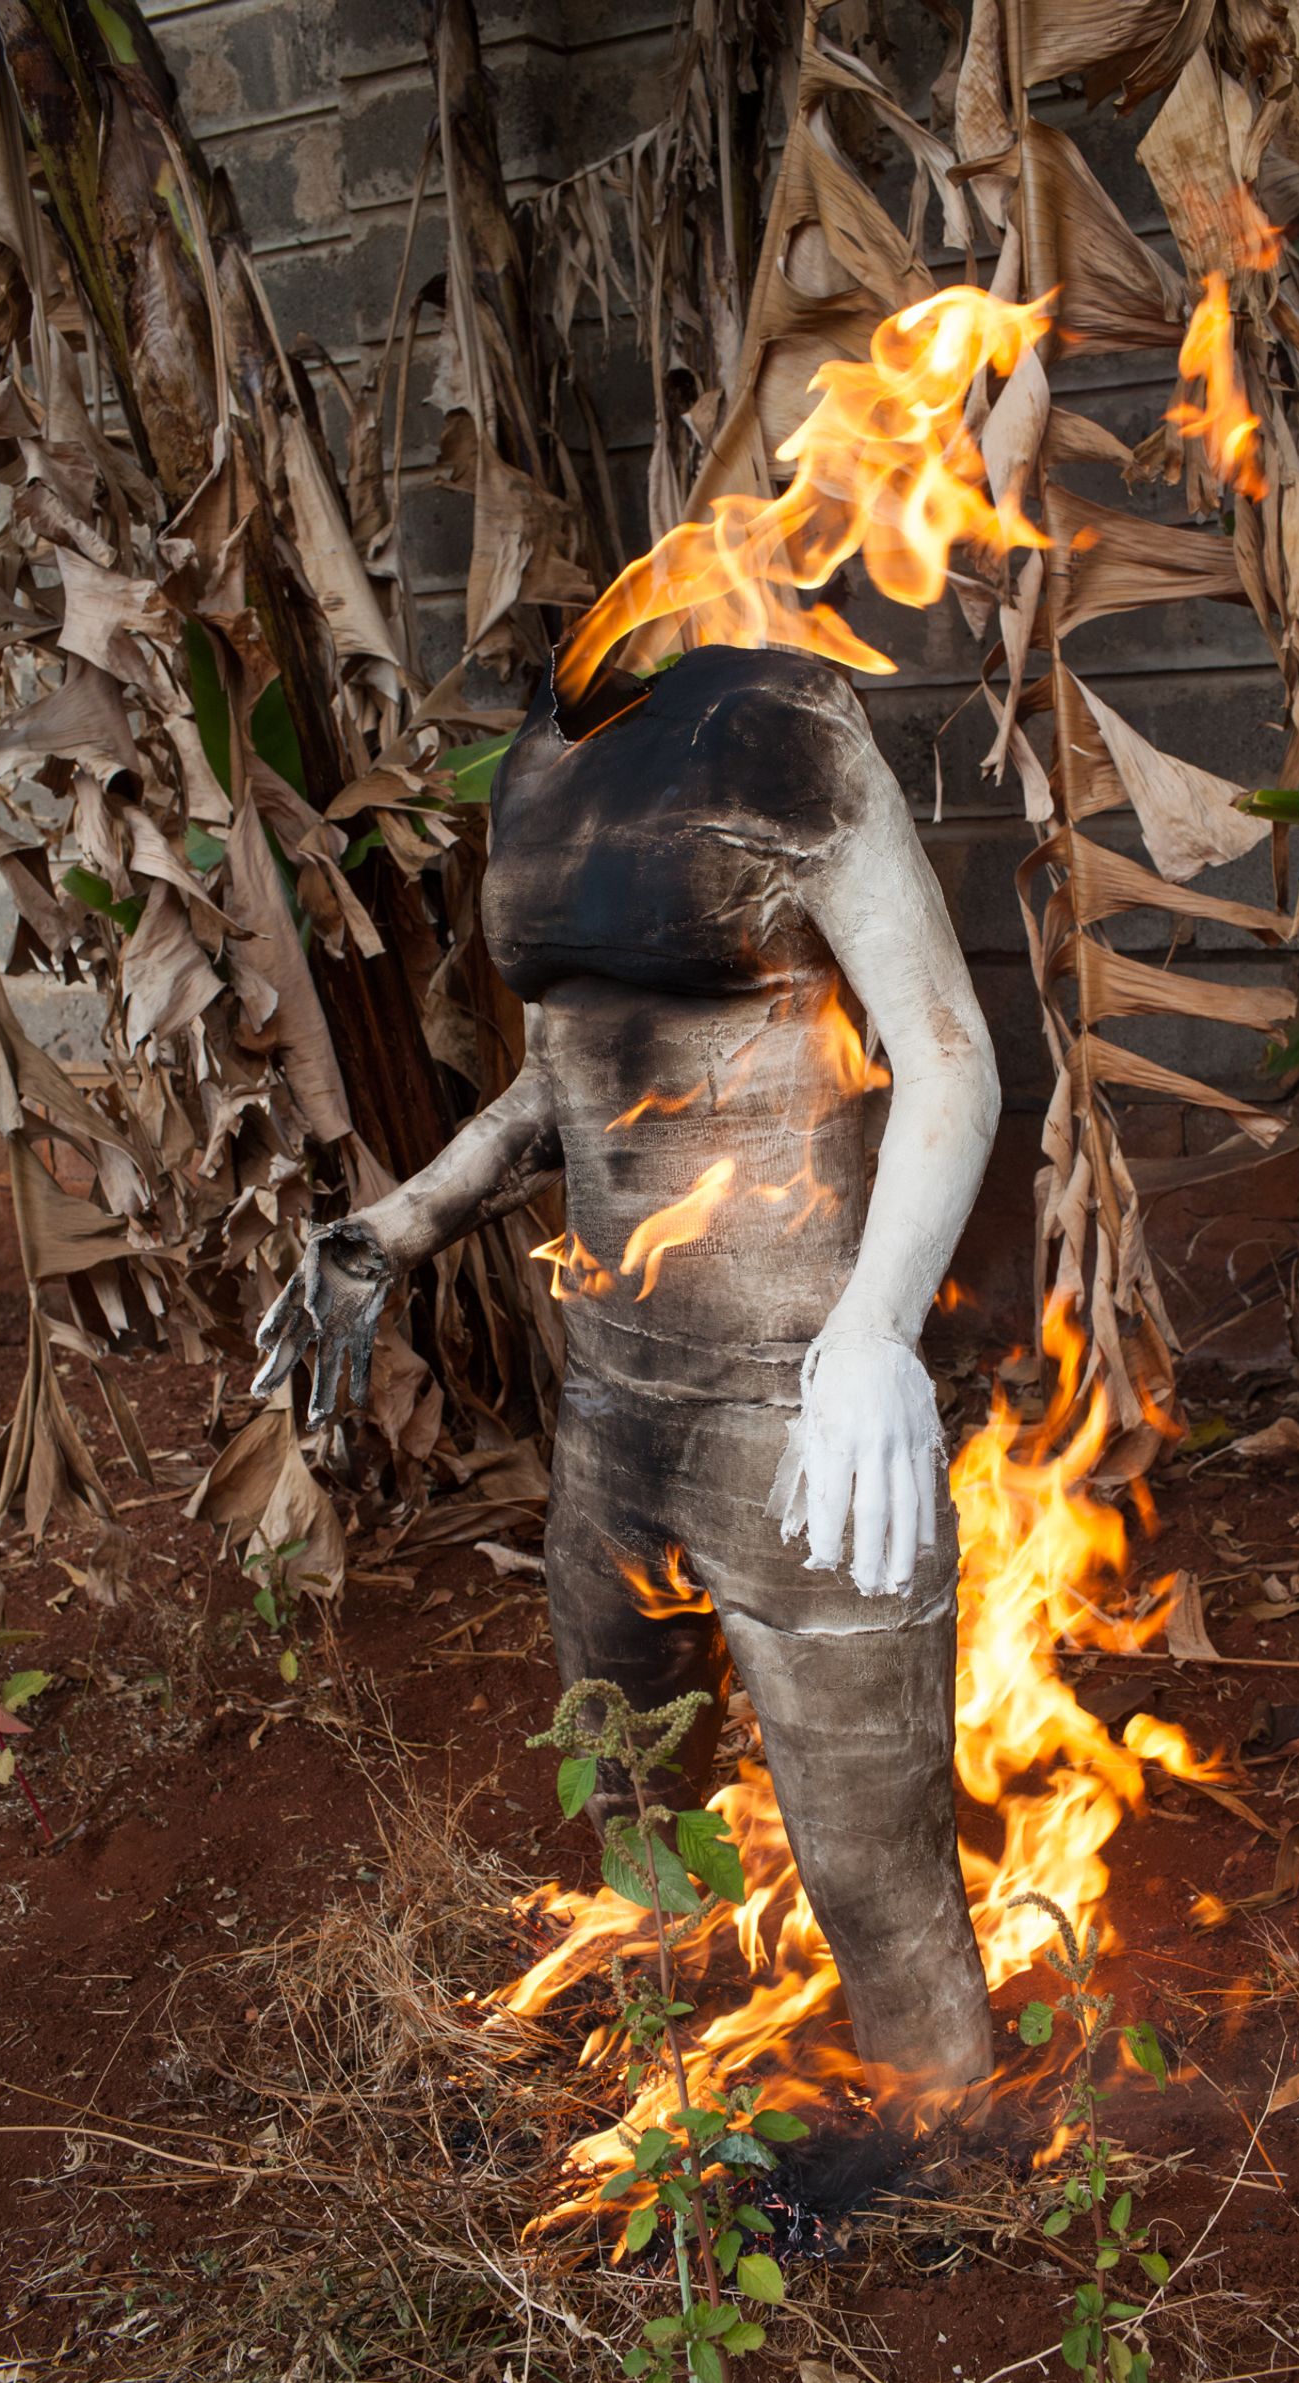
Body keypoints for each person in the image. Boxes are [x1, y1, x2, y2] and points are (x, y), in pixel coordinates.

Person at [254, 639, 1001, 2122]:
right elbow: (562, 1078)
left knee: (870, 1867)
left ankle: (954, 2144)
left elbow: (949, 1054)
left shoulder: (793, 732)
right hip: (611, 1415)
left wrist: (874, 1331)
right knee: (633, 1792)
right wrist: (393, 1226)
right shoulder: (542, 767)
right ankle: (676, 2089)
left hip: (801, 1420)